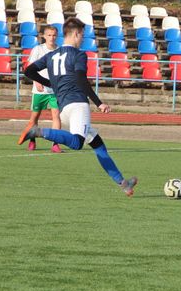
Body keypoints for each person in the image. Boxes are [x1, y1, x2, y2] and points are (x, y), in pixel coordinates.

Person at [18, 17, 138, 197]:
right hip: (78, 105)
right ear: (75, 34)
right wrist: (99, 103)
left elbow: (28, 71)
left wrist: (50, 82)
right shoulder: (78, 54)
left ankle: (123, 183)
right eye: (82, 35)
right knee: (76, 143)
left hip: (64, 108)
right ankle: (38, 131)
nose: (83, 38)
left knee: (98, 144)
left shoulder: (51, 55)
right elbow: (82, 80)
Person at [22, 24, 62, 153]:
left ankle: (55, 143)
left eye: (54, 35)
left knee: (56, 115)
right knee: (35, 117)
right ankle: (32, 139)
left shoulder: (60, 51)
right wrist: (36, 81)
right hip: (39, 90)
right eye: (49, 35)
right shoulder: (38, 49)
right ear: (44, 36)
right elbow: (30, 68)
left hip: (54, 90)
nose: (52, 37)